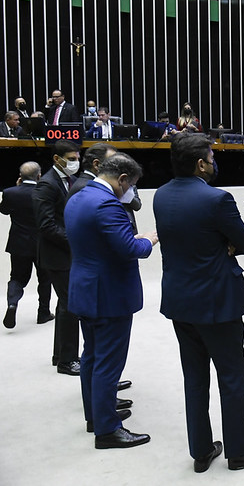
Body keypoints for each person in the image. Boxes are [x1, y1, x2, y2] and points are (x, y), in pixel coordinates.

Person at [154, 133, 244, 472]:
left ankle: (201, 450)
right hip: (217, 303)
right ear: (200, 163)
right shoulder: (217, 199)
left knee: (194, 379)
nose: (214, 161)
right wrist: (224, 244)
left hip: (180, 302)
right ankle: (240, 451)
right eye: (212, 157)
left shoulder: (161, 196)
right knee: (232, 378)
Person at [65, 153, 158, 449]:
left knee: (91, 357)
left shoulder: (79, 196)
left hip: (84, 287)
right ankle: (107, 430)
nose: (129, 192)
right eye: (130, 185)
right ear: (121, 180)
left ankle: (95, 415)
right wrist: (149, 239)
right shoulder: (107, 204)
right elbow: (130, 248)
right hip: (108, 294)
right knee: (107, 362)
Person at [32, 140, 81, 376]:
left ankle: (60, 354)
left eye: (77, 157)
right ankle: (68, 360)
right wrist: (77, 241)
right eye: (71, 158)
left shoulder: (67, 181)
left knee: (65, 305)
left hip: (65, 254)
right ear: (57, 159)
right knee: (71, 306)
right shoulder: (47, 185)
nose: (76, 162)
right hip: (56, 256)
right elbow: (46, 225)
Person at [1, 162, 53, 329]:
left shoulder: (10, 193)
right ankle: (43, 313)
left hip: (19, 243)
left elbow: (4, 210)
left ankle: (12, 304)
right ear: (39, 176)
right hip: (42, 243)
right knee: (44, 279)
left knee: (16, 277)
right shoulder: (45, 192)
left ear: (20, 176)